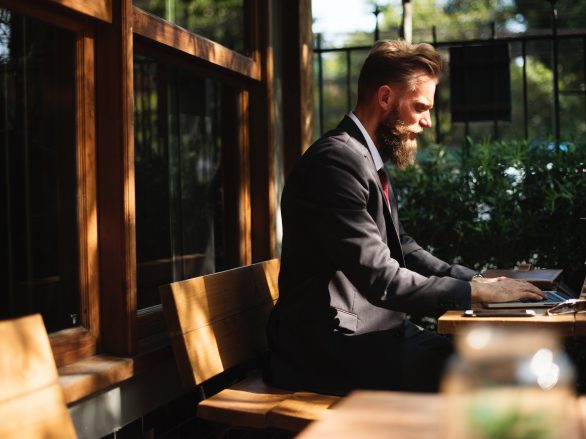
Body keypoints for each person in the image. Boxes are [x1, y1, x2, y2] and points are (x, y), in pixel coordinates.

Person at [265, 39, 546, 394]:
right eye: (420, 107)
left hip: (373, 334)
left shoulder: (361, 158)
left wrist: (479, 281)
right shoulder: (335, 163)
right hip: (329, 350)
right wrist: (472, 292)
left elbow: (404, 248)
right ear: (385, 98)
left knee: (503, 363)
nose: (427, 122)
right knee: (495, 375)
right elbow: (383, 279)